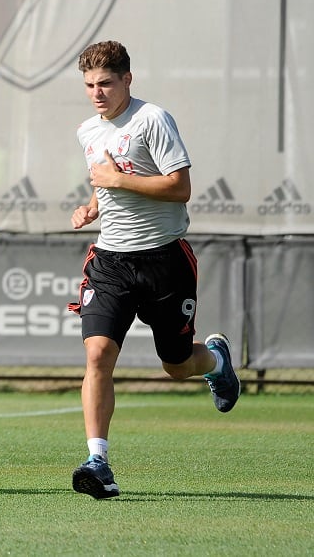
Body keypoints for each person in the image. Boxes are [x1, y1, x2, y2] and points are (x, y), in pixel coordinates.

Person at [67, 40, 241, 499]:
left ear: (128, 79)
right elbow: (107, 187)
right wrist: (91, 207)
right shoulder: (88, 130)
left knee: (177, 365)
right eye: (89, 85)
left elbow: (179, 187)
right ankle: (97, 461)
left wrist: (117, 181)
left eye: (106, 83)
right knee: (98, 354)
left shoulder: (152, 120)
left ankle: (217, 360)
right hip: (110, 261)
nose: (97, 93)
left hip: (165, 260)